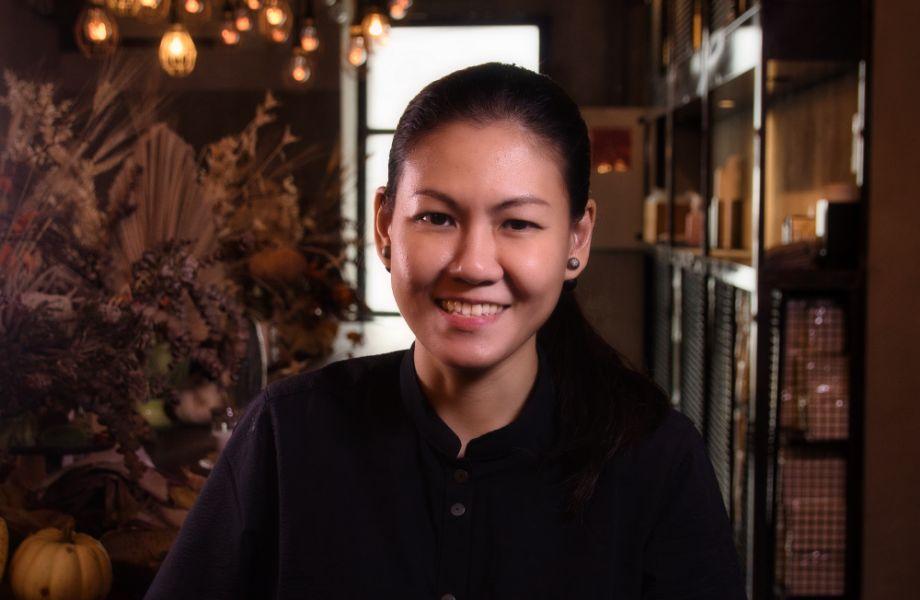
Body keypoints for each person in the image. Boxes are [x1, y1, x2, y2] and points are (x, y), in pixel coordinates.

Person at [145, 63, 746, 599]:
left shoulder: (657, 460)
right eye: (436, 217)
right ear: (386, 226)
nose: (474, 265)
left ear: (577, 239)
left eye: (518, 223)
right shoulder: (287, 434)